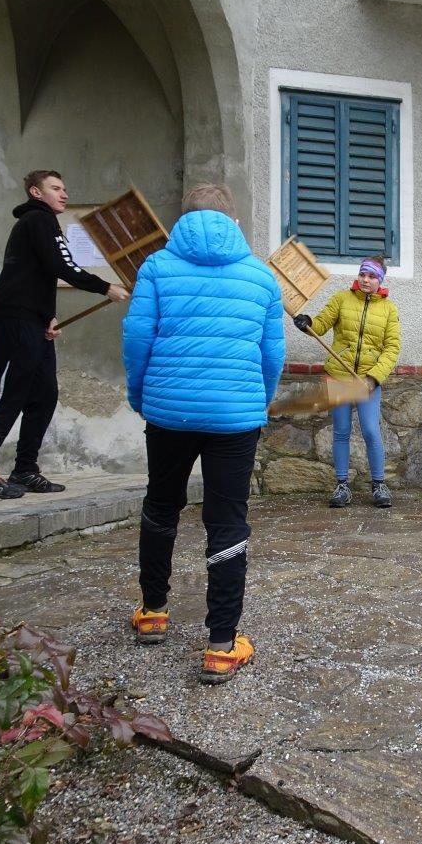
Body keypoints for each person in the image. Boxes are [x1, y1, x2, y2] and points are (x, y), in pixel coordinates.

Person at [122, 183, 284, 685]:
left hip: (169, 412)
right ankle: (220, 646)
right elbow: (272, 353)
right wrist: (258, 399)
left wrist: (140, 394)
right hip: (235, 417)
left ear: (182, 219)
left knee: (161, 505)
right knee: (228, 522)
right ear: (234, 221)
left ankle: (153, 611)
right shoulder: (261, 275)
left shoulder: (156, 267)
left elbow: (137, 339)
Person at [0, 170, 130, 499]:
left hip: (33, 319)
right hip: (13, 317)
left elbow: (39, 273)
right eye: (55, 188)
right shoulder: (37, 219)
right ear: (36, 192)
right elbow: (60, 265)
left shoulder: (44, 222)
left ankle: (25, 469)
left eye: (64, 187)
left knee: (44, 395)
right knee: (8, 392)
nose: (64, 193)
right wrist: (104, 287)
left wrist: (47, 316)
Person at [292, 256, 401, 509]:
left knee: (371, 431)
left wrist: (373, 378)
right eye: (362, 274)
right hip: (340, 376)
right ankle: (342, 485)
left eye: (371, 276)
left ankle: (379, 485)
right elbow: (321, 324)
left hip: (367, 381)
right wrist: (307, 323)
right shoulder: (341, 299)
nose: (365, 280)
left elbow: (392, 348)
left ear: (380, 280)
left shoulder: (389, 310)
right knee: (341, 431)